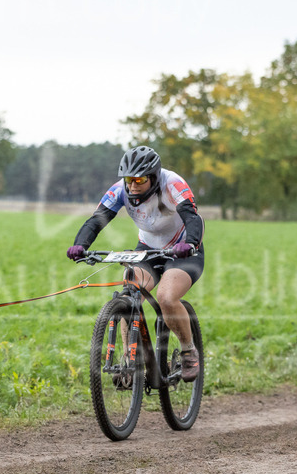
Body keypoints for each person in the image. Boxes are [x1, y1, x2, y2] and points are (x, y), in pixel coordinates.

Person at [66, 145, 205, 381]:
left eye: (139, 179)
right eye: (129, 179)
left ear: (153, 177)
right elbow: (96, 220)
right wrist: (81, 244)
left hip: (182, 251)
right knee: (129, 296)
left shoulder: (172, 183)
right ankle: (129, 360)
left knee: (166, 298)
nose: (132, 185)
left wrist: (190, 243)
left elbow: (192, 216)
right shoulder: (120, 189)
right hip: (147, 250)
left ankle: (188, 350)